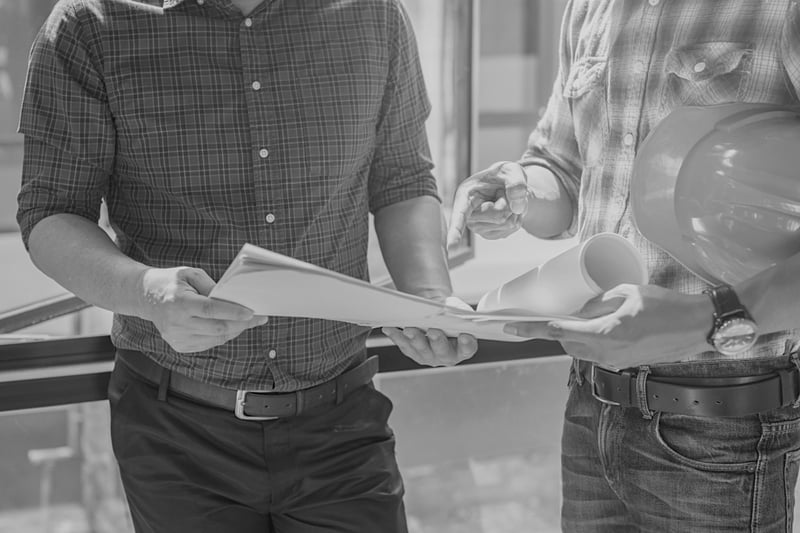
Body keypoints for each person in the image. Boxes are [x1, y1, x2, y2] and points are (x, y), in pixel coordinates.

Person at [16, 0, 478, 531]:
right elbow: (51, 212)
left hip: (342, 420)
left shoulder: (373, 13)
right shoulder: (89, 24)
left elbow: (403, 181)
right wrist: (145, 292)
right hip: (175, 436)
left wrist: (428, 296)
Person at [447, 1, 800, 531]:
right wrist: (522, 190)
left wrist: (704, 319)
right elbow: (562, 168)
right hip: (591, 402)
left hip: (723, 419)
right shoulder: (591, 8)